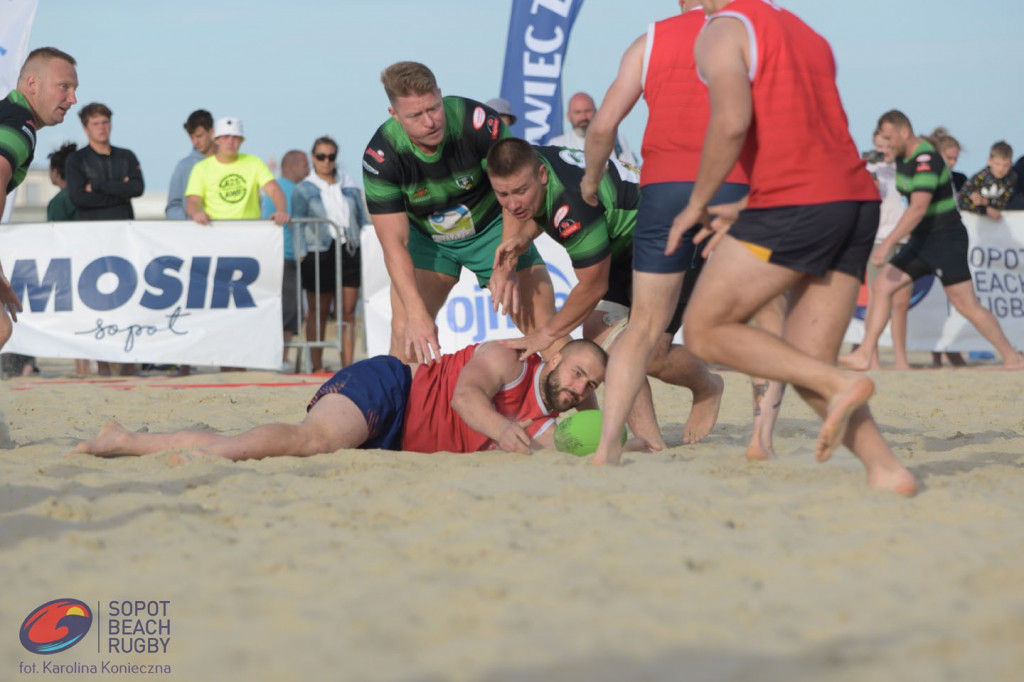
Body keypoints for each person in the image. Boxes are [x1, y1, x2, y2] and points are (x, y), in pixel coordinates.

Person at [594, 0, 918, 495]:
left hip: (793, 201)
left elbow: (731, 123)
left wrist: (698, 202)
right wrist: (745, 198)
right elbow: (804, 129)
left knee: (702, 331)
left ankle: (836, 387)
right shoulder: (803, 32)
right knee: (797, 357)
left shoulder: (720, 30)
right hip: (853, 200)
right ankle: (886, 468)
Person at [486, 137, 723, 445]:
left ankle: (707, 386)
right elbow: (526, 205)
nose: (513, 202)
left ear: (541, 175)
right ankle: (653, 445)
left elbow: (593, 285)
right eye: (502, 194)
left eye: (520, 192)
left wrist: (545, 334)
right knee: (601, 334)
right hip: (626, 239)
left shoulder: (573, 205)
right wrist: (522, 239)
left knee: (647, 353)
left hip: (674, 232)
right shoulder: (527, 163)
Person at [72, 339, 608, 462]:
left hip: (397, 443)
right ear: (558, 357)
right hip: (390, 388)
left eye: (590, 385)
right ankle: (157, 448)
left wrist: (646, 440)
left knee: (276, 442)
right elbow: (467, 399)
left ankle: (123, 439)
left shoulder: (570, 403)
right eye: (578, 372)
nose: (580, 388)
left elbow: (607, 428)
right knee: (312, 442)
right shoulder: (508, 359)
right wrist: (501, 431)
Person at [362, 61, 555, 364]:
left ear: (440, 94)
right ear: (394, 115)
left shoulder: (476, 122)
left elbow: (518, 193)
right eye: (415, 115)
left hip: (494, 227)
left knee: (548, 332)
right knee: (406, 340)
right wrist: (416, 314)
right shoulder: (382, 156)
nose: (430, 122)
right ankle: (403, 412)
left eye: (433, 108)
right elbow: (394, 245)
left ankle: (589, 414)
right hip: (430, 241)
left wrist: (506, 261)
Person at [840, 110, 1024, 373]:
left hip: (945, 239)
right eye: (883, 139)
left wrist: (886, 243)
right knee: (882, 286)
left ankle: (1012, 357)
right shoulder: (899, 155)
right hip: (922, 239)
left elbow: (918, 208)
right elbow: (867, 156)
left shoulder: (926, 158)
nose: (887, 144)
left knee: (966, 305)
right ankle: (865, 353)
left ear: (904, 132)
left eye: (890, 138)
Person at [186, 116, 289, 373]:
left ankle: (243, 360)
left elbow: (274, 189)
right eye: (225, 138)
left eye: (235, 138)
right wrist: (195, 212)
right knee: (220, 305)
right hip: (216, 245)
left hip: (249, 247)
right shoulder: (203, 168)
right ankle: (224, 361)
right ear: (216, 140)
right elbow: (191, 200)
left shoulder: (252, 163)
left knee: (248, 303)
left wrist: (281, 210)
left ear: (240, 140)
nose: (230, 142)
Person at [1, 47, 78, 354]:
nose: (72, 99)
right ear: (32, 85)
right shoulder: (18, 124)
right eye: (64, 87)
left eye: (74, 90)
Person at [293, 136, 365, 371]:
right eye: (321, 156)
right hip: (318, 250)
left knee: (348, 311)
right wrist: (300, 253)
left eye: (331, 156)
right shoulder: (304, 189)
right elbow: (297, 224)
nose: (326, 161)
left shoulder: (349, 184)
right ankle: (316, 365)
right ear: (313, 157)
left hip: (348, 247)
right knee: (318, 310)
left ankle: (347, 366)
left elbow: (360, 219)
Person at [861, 129, 912, 370]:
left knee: (901, 302)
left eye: (889, 145)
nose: (886, 150)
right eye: (881, 146)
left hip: (904, 239)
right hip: (878, 239)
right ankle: (872, 358)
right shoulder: (869, 169)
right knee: (876, 300)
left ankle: (901, 359)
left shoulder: (905, 168)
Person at [261, 149, 308, 370]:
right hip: (287, 256)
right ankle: (281, 358)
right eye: (305, 164)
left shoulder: (273, 189)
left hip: (271, 255)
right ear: (294, 165)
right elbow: (296, 226)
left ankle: (278, 357)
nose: (308, 170)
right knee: (289, 310)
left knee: (278, 308)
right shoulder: (292, 191)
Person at [548, 91, 637, 166]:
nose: (583, 117)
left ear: (596, 112)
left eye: (587, 111)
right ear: (568, 116)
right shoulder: (556, 145)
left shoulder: (615, 140)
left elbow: (631, 171)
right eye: (577, 112)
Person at [165, 109, 215, 220]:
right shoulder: (184, 166)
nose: (195, 142)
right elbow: (172, 207)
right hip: (193, 234)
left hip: (227, 231)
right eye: (191, 137)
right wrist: (192, 220)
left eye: (199, 136)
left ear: (211, 132)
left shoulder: (230, 162)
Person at [958, 140, 1018, 220]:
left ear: (1011, 164)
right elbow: (960, 201)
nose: (1001, 169)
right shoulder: (980, 178)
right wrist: (985, 209)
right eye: (997, 164)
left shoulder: (1011, 178)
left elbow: (1007, 203)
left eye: (1005, 165)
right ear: (989, 161)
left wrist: (986, 202)